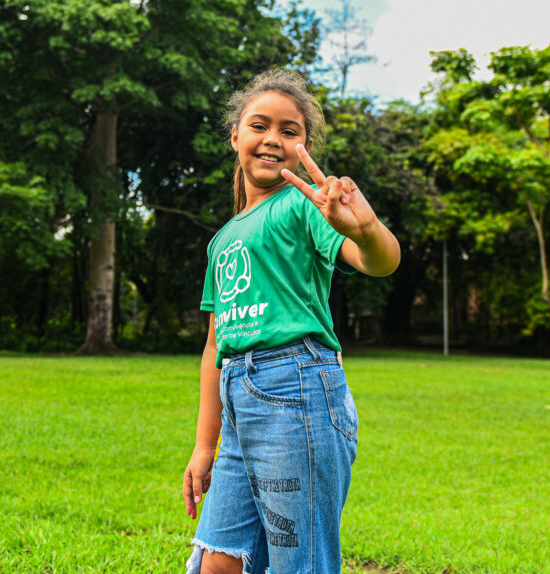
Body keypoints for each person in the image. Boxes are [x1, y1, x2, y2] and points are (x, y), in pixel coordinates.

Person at [182, 68, 400, 574]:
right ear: (235, 135)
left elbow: (379, 259)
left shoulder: (304, 206)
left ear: (304, 145)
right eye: (260, 125)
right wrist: (203, 445)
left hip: (296, 393)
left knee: (298, 561)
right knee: (218, 560)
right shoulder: (222, 239)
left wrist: (364, 228)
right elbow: (216, 348)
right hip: (238, 408)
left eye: (290, 130)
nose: (273, 139)